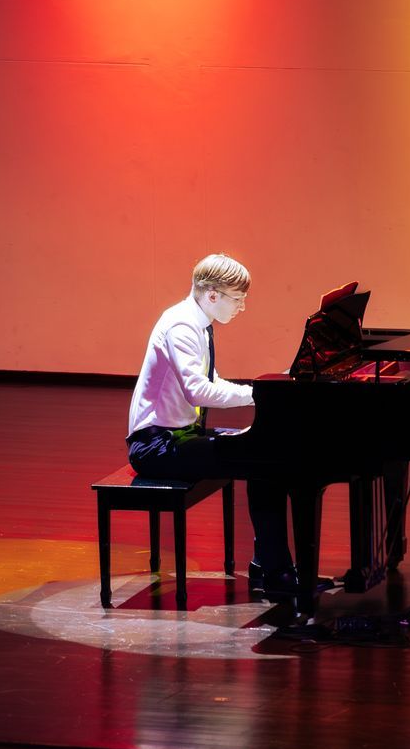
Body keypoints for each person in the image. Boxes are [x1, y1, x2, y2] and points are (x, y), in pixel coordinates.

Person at [126, 254, 308, 603]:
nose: (242, 307)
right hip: (155, 446)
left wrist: (254, 393)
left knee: (263, 452)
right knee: (261, 457)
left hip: (178, 436)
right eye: (238, 299)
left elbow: (207, 382)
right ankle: (275, 570)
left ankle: (269, 565)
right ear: (212, 295)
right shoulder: (182, 326)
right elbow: (199, 391)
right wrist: (259, 395)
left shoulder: (197, 321)